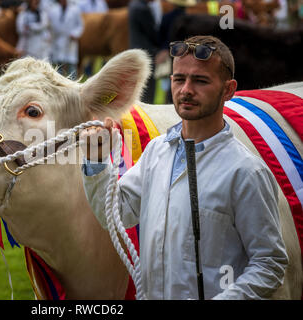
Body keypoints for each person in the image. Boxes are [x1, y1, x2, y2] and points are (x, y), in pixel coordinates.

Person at [79, 35, 288, 299]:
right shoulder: (157, 151)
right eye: (179, 79)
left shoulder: (246, 171)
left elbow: (270, 263)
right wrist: (96, 160)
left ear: (228, 89)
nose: (185, 90)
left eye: (200, 80)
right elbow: (116, 214)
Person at [128, 0, 159, 104]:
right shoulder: (143, 9)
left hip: (136, 48)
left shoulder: (133, 4)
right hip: (147, 51)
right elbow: (152, 32)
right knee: (148, 84)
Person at [47, 0, 83, 80]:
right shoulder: (53, 10)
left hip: (70, 42)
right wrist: (50, 36)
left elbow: (80, 26)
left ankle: (73, 85)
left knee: (71, 66)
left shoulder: (75, 9)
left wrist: (75, 34)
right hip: (57, 42)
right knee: (59, 67)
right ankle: (60, 85)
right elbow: (49, 26)